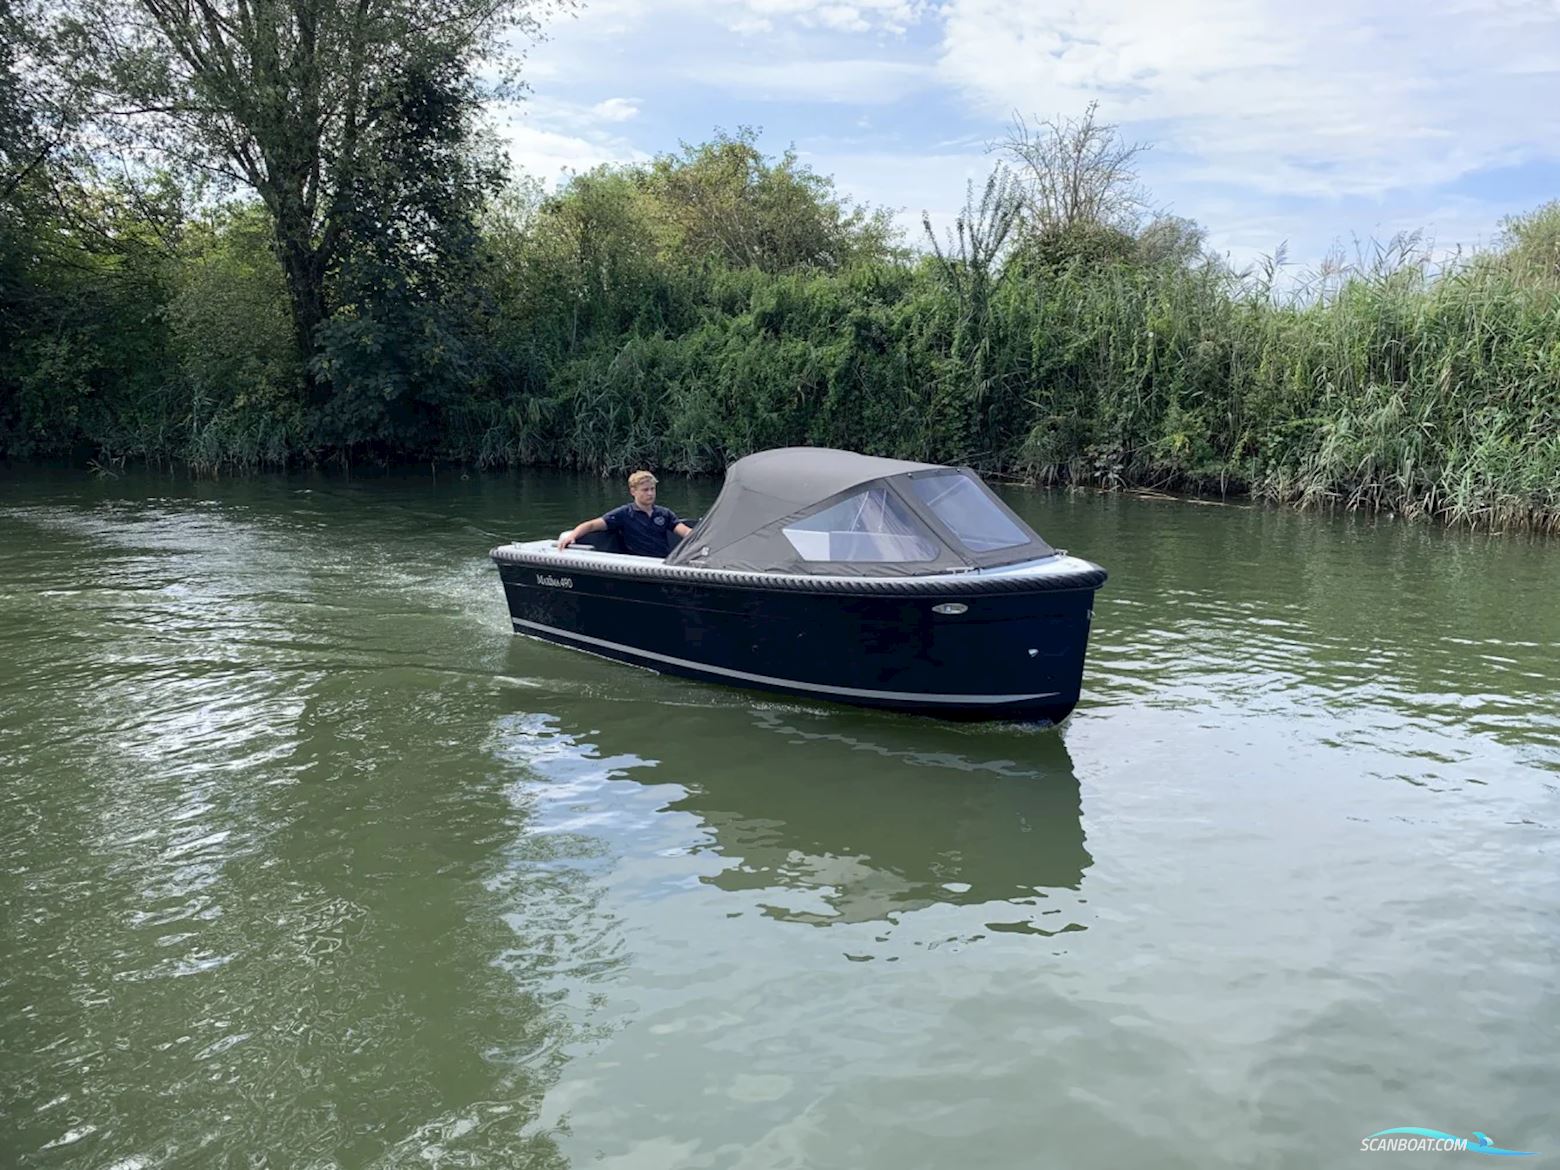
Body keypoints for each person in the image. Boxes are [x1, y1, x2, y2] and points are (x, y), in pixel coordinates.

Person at [558, 470, 694, 556]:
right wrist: (573, 535)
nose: (650, 493)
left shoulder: (664, 514)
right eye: (645, 490)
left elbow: (685, 532)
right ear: (633, 491)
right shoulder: (624, 514)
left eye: (652, 489)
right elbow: (592, 525)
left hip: (662, 562)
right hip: (637, 564)